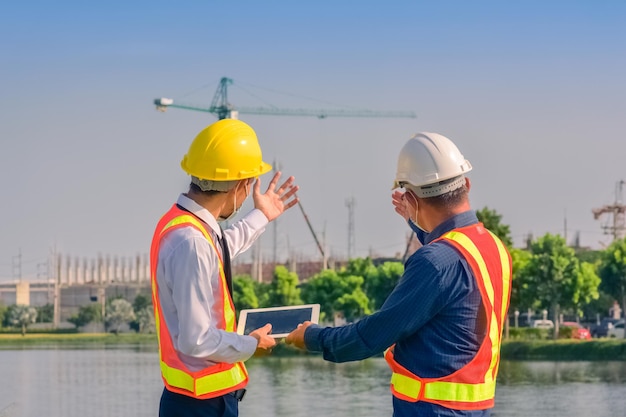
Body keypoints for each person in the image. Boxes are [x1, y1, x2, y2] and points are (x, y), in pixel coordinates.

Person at [286, 132, 512, 417]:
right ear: (466, 183)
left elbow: (372, 336)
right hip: (475, 410)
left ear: (412, 198)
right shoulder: (493, 246)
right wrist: (417, 221)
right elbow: (453, 256)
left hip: (432, 411)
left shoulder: (434, 263)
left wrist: (312, 337)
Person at [150, 119, 299, 417]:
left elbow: (222, 248)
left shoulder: (185, 227)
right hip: (199, 405)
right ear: (241, 186)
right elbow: (196, 339)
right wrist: (249, 344)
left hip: (197, 400)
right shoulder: (191, 242)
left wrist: (262, 215)